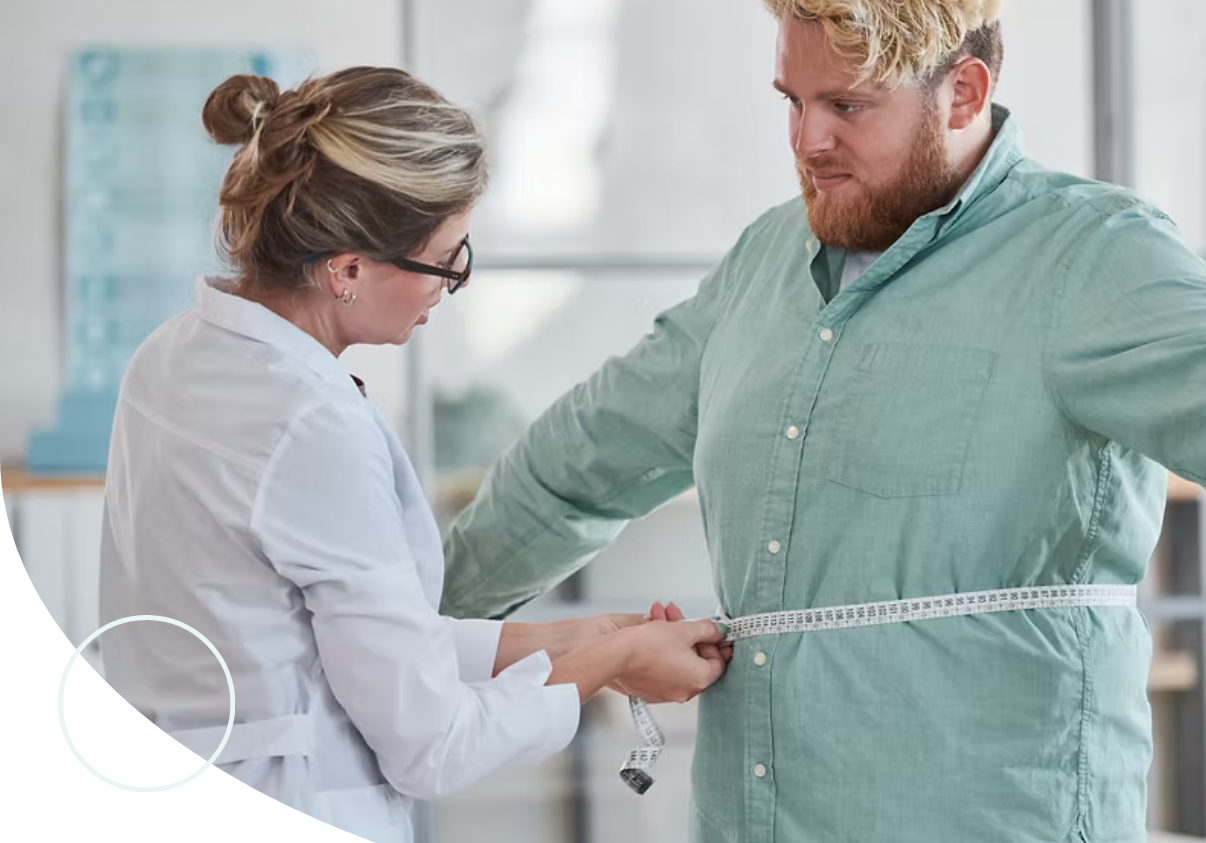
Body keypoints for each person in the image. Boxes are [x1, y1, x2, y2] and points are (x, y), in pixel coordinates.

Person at [439, 2, 1206, 842]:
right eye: (791, 102)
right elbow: (576, 464)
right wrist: (398, 631)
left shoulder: (1092, 256)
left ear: (962, 91)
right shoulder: (766, 262)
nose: (807, 140)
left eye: (846, 105)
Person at [96, 67, 731, 842]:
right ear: (349, 266)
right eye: (445, 261)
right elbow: (431, 744)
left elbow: (350, 643)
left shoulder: (172, 355)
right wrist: (606, 664)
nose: (450, 287)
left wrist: (590, 638)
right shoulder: (309, 425)